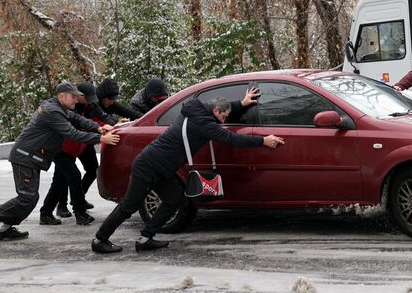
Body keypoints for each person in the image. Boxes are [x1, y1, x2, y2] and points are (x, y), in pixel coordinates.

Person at [91, 88, 284, 254]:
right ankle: (100, 240)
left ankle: (145, 238)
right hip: (148, 166)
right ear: (215, 111)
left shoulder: (196, 108)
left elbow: (223, 109)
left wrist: (241, 103)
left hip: (163, 168)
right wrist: (263, 140)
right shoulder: (204, 124)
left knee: (174, 199)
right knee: (129, 206)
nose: (224, 120)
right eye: (223, 117)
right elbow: (232, 139)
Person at [0, 82, 120, 242]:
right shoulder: (52, 112)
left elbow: (78, 119)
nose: (76, 101)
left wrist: (98, 127)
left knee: (30, 198)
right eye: (73, 97)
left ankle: (5, 228)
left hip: (33, 158)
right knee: (27, 197)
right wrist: (100, 138)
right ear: (62, 96)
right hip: (25, 157)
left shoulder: (59, 108)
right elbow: (72, 133)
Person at [42, 82, 116, 224]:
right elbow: (75, 130)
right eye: (75, 97)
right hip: (61, 149)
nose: (77, 100)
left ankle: (46, 212)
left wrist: (112, 125)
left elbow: (97, 118)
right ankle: (79, 211)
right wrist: (100, 135)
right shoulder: (61, 110)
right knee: (71, 176)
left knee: (61, 180)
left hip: (77, 146)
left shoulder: (89, 105)